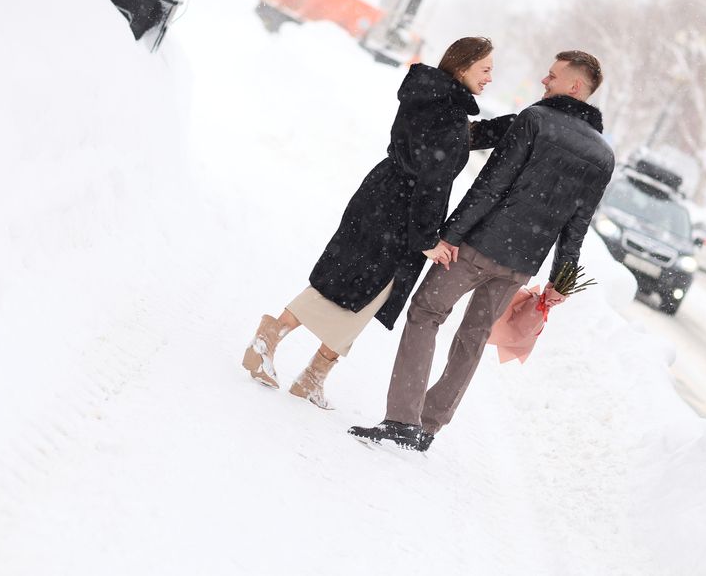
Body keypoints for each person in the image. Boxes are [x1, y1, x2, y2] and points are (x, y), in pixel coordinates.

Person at [349, 50, 615, 450]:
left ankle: (403, 420)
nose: (545, 81)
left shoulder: (535, 120)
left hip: (477, 246)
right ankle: (429, 426)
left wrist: (449, 236)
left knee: (425, 312)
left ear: (575, 87)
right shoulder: (602, 155)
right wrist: (562, 280)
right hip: (520, 265)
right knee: (473, 337)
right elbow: (577, 226)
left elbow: (491, 185)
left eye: (553, 75)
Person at [242, 37, 517, 409]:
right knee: (348, 287)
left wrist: (513, 126)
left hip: (383, 199)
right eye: (485, 69)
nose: (489, 78)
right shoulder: (446, 112)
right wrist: (426, 240)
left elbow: (459, 140)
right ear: (463, 66)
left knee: (361, 290)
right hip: (398, 213)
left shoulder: (435, 100)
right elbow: (433, 179)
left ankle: (313, 376)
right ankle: (269, 338)